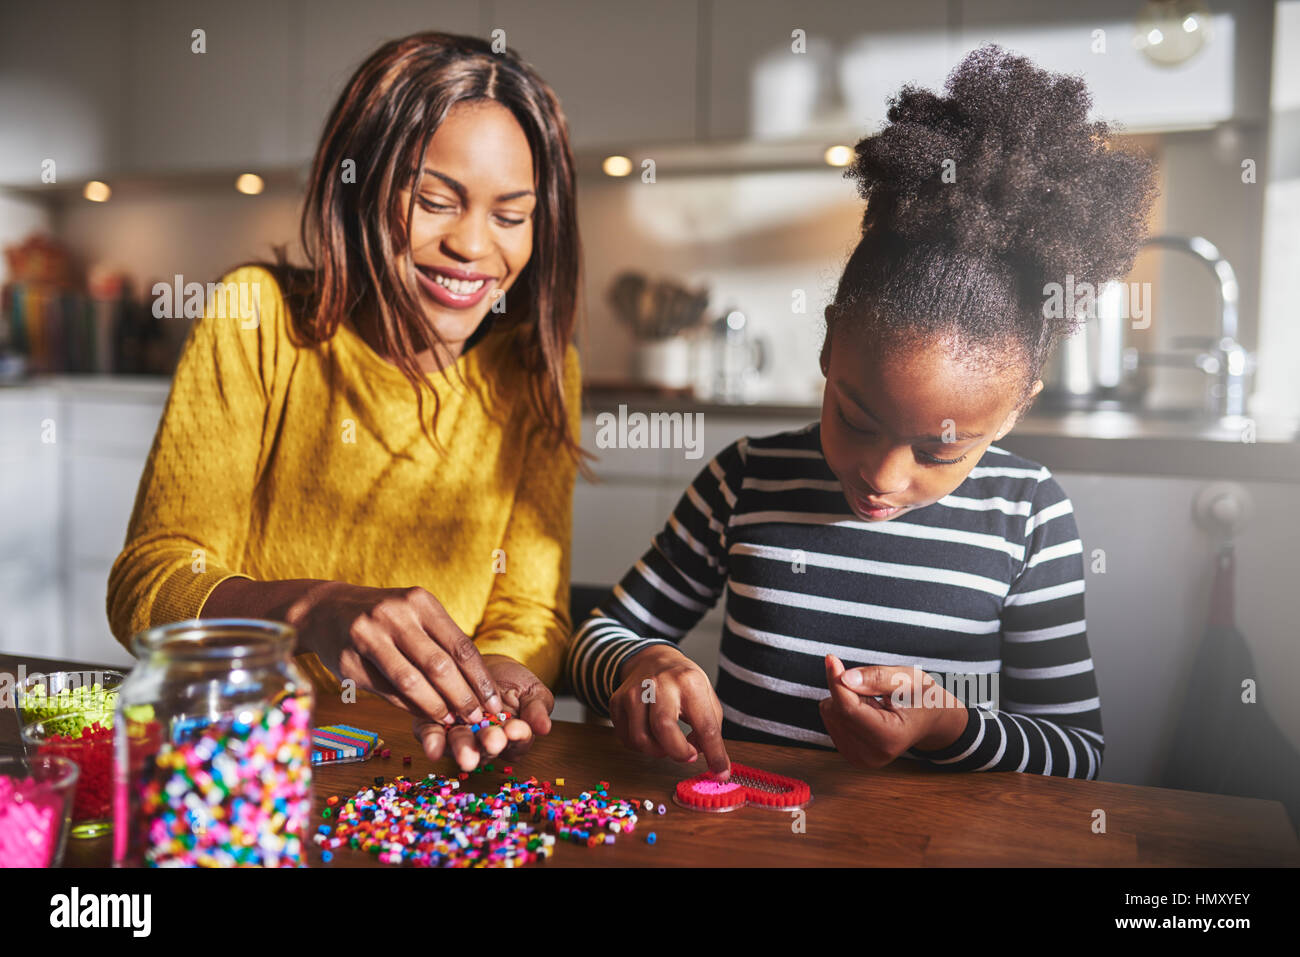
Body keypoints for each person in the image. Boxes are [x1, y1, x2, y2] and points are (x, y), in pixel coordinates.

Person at [566, 45, 1158, 781]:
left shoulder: (1028, 517)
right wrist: (642, 661)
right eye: (855, 418)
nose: (881, 475)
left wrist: (950, 725)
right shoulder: (744, 481)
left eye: (939, 451)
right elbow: (597, 634)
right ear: (826, 349)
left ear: (1013, 413)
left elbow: (1076, 754)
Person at [108, 32, 584, 772]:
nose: (472, 245)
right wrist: (313, 608)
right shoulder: (256, 316)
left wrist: (499, 676)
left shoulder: (535, 370)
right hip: (240, 769)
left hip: (425, 773)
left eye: (511, 215)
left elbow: (528, 612)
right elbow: (152, 579)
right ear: (358, 184)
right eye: (433, 200)